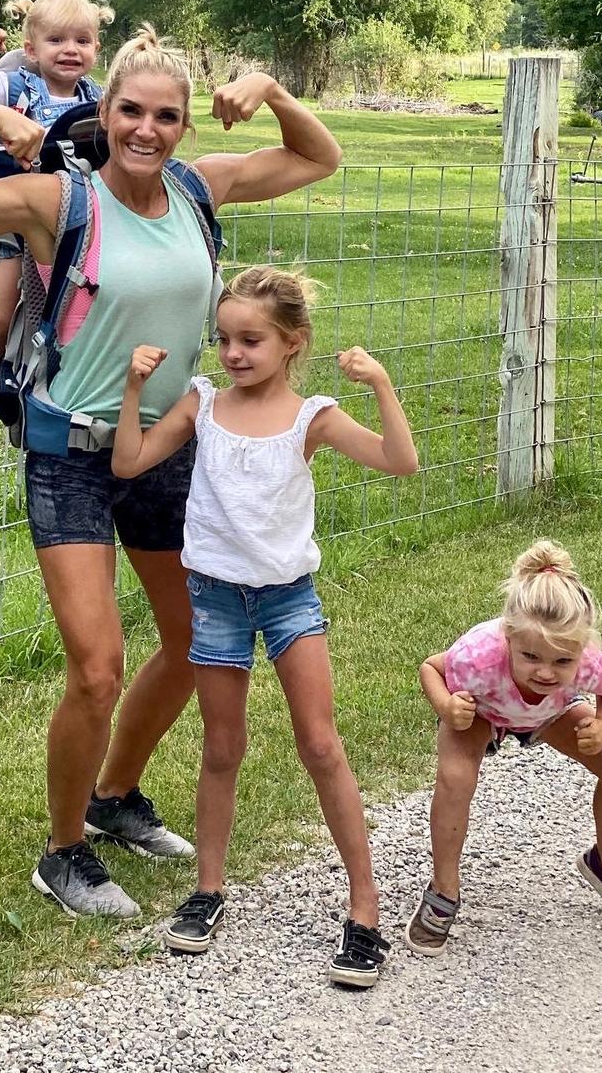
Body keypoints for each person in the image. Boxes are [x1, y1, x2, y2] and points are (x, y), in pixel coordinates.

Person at [0, 27, 343, 918]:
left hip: (166, 451)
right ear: (107, 110)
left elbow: (317, 158)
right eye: (131, 111)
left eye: (166, 116)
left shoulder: (199, 189)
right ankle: (61, 853)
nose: (147, 130)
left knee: (195, 643)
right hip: (70, 458)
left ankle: (114, 796)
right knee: (96, 670)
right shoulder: (60, 200)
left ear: (182, 125)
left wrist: (275, 91)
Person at [111, 267, 419, 986]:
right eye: (224, 339)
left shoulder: (312, 416)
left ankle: (365, 909)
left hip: (288, 601)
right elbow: (128, 461)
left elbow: (399, 461)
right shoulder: (203, 403)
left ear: (292, 343)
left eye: (250, 340)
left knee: (320, 744)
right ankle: (208, 889)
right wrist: (131, 390)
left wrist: (380, 384)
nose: (233, 353)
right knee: (221, 746)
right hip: (214, 599)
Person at [407, 539, 602, 956]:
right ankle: (444, 889)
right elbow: (431, 666)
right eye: (532, 657)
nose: (546, 672)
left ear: (580, 650)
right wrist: (447, 706)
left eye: (562, 662)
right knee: (455, 777)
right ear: (508, 638)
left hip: (550, 713)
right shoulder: (479, 656)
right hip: (482, 711)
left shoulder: (586, 659)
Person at [0, 0, 114, 454]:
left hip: (69, 220)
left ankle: (39, 386)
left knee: (67, 312)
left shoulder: (97, 99)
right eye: (56, 40)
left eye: (82, 40)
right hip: (15, 216)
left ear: (96, 48)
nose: (70, 49)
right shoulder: (15, 86)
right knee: (3, 313)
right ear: (32, 48)